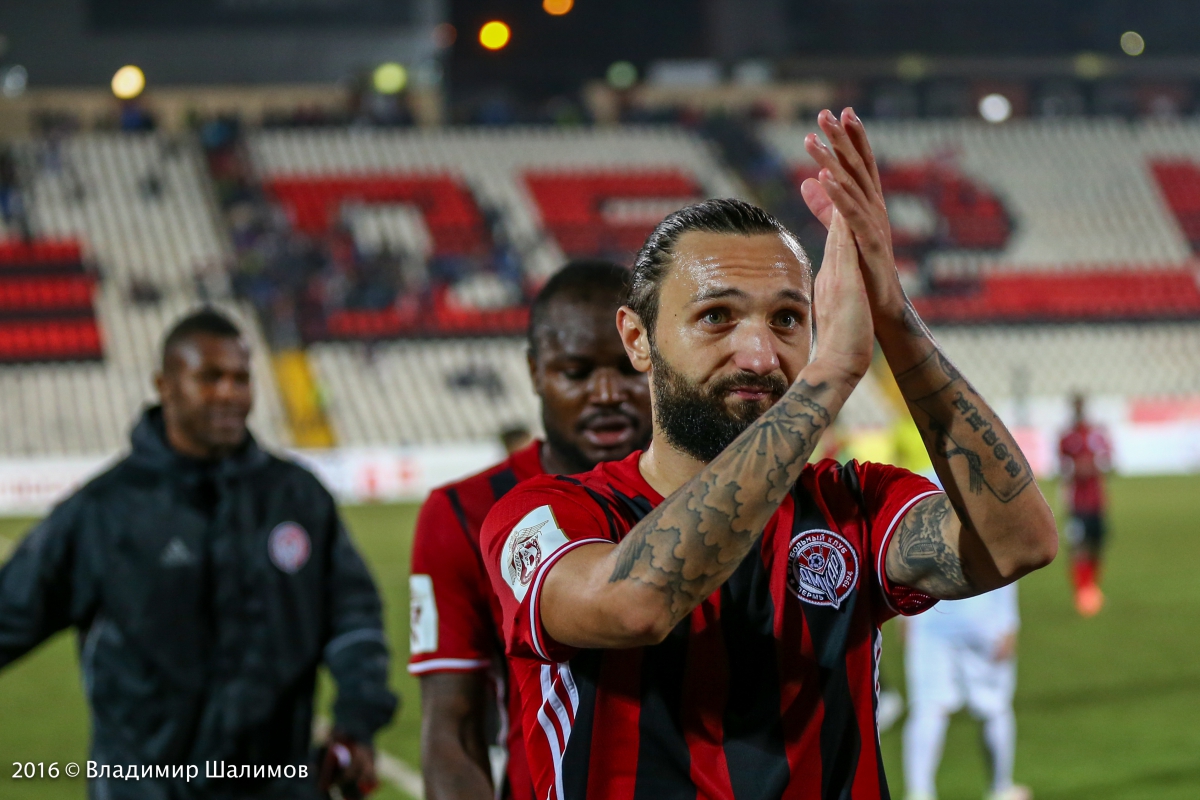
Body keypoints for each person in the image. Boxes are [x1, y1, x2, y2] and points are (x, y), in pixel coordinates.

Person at [480, 109, 1058, 799]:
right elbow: (634, 605)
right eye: (716, 316)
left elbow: (1020, 542)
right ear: (637, 339)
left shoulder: (852, 505)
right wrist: (828, 374)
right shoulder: (547, 514)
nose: (758, 354)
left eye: (788, 319)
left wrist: (892, 314)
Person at [0, 309, 397, 799]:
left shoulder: (297, 497)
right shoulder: (104, 512)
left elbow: (353, 614)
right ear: (164, 386)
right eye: (210, 378)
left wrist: (357, 719)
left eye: (240, 378)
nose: (229, 393)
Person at [409, 262, 653, 800]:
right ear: (534, 371)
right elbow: (452, 728)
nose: (606, 393)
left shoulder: (715, 494)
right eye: (577, 372)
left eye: (628, 368)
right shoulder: (462, 512)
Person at [902, 585, 1029, 800]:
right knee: (994, 706)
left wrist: (904, 616)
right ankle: (1001, 788)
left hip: (929, 620)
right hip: (982, 618)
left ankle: (918, 793)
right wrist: (1009, 621)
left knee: (928, 707)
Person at [1058, 394, 1112, 616]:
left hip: (1097, 501)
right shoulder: (1066, 437)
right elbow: (1061, 468)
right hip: (1076, 503)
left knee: (1097, 546)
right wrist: (1074, 471)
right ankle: (1082, 591)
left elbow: (1110, 463)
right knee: (1078, 546)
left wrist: (1096, 467)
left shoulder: (1096, 435)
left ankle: (1092, 587)